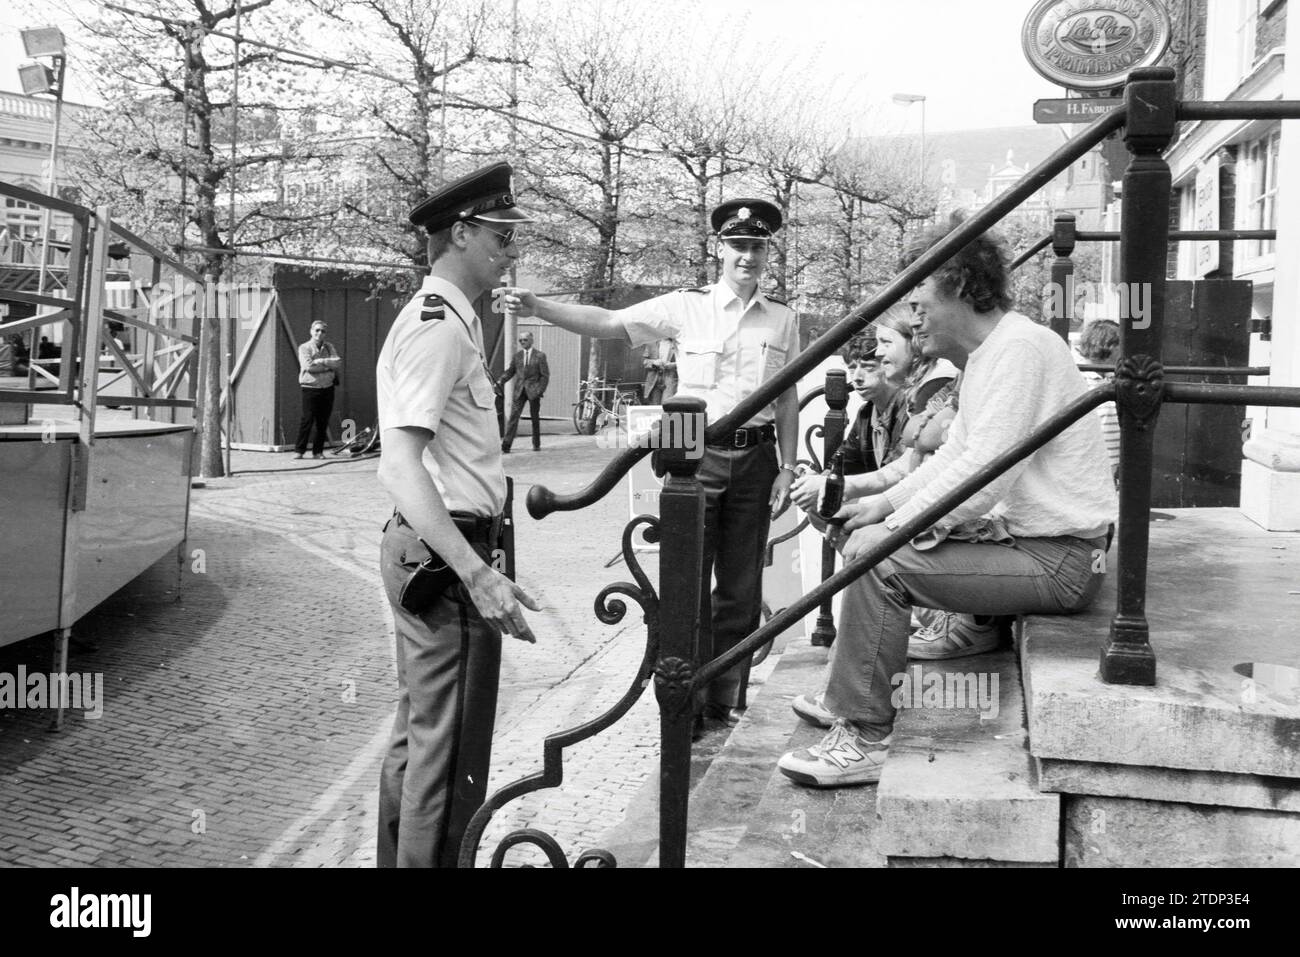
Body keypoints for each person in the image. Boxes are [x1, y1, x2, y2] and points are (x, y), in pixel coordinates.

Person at [777, 213, 1117, 788]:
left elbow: (982, 478)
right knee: (864, 537)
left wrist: (891, 530)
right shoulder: (993, 354)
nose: (911, 321)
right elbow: (953, 459)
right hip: (1035, 543)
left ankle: (864, 735)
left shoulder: (1020, 351)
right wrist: (878, 509)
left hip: (1062, 560)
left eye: (918, 301)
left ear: (959, 283)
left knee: (876, 560)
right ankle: (856, 691)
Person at [499, 197, 800, 731]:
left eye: (757, 247)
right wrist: (540, 307)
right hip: (691, 443)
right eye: (738, 246)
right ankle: (687, 695)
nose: (747, 257)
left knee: (740, 586)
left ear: (766, 252)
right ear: (720, 250)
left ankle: (724, 699)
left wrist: (787, 465)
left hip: (756, 455)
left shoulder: (783, 319)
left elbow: (787, 398)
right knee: (687, 580)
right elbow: (610, 322)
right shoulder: (686, 307)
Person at [374, 160, 541, 868]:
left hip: (434, 549)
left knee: (420, 741)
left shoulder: (444, 319)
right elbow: (399, 464)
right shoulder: (440, 325)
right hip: (449, 555)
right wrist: (478, 573)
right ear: (463, 232)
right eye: (501, 236)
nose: (511, 251)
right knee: (448, 760)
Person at [1077, 319, 1121, 479]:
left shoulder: (1113, 378)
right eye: (1121, 345)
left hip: (1115, 465)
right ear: (1108, 345)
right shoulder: (1080, 379)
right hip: (1090, 466)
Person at [295, 320, 342, 459]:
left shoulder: (329, 347)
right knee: (307, 419)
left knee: (323, 421)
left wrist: (321, 361)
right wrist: (328, 366)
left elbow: (337, 362)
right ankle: (299, 450)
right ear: (311, 331)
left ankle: (318, 451)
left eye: (323, 331)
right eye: (317, 330)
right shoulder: (304, 348)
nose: (319, 333)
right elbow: (309, 367)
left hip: (327, 388)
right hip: (310, 388)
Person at [498, 330, 549, 452]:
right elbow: (510, 371)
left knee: (534, 418)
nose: (522, 342)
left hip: (533, 391)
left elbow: (545, 376)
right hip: (519, 390)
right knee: (513, 417)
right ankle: (506, 445)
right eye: (520, 340)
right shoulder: (517, 356)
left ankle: (536, 444)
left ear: (531, 340)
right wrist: (501, 380)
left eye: (525, 340)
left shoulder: (540, 356)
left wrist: (539, 390)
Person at [641, 338, 678, 405]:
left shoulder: (678, 344)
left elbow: (686, 363)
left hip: (670, 377)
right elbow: (645, 362)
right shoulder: (651, 343)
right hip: (654, 380)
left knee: (667, 405)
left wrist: (674, 365)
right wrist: (654, 362)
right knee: (654, 407)